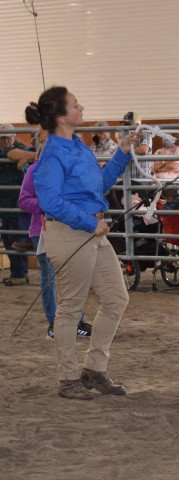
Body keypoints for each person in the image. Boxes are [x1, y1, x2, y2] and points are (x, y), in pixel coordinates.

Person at [27, 86, 141, 400]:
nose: (81, 108)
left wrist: (122, 152)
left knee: (116, 298)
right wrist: (90, 222)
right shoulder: (51, 154)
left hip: (93, 232)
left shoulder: (77, 146)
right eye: (75, 105)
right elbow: (49, 201)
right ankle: (68, 379)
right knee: (70, 309)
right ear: (61, 116)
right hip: (69, 234)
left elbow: (100, 185)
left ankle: (94, 370)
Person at [17, 129, 93, 340]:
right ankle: (54, 323)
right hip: (41, 230)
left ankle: (77, 321)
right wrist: (46, 205)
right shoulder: (34, 170)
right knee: (50, 277)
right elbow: (23, 200)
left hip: (69, 228)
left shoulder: (72, 172)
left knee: (74, 276)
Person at [0, 123, 31, 285]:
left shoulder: (23, 148)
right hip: (5, 202)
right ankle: (18, 272)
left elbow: (31, 156)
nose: (5, 140)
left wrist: (23, 158)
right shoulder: (2, 151)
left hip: (19, 203)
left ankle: (20, 273)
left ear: (14, 136)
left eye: (8, 137)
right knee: (8, 237)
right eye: (2, 138)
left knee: (19, 238)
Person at [118, 111, 153, 180]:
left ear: (137, 124)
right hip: (125, 179)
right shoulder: (124, 136)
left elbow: (143, 150)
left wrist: (126, 149)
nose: (125, 126)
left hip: (140, 179)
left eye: (128, 123)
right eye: (124, 124)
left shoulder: (145, 134)